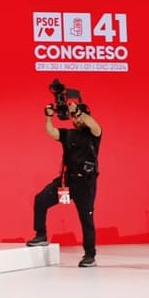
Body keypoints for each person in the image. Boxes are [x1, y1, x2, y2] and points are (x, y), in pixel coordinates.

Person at [26, 100, 103, 268]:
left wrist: (78, 112)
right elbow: (52, 132)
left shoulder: (94, 135)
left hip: (85, 184)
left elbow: (94, 125)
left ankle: (90, 256)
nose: (76, 120)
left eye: (79, 116)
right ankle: (41, 235)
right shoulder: (69, 134)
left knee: (86, 219)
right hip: (67, 181)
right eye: (74, 117)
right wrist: (48, 117)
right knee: (40, 199)